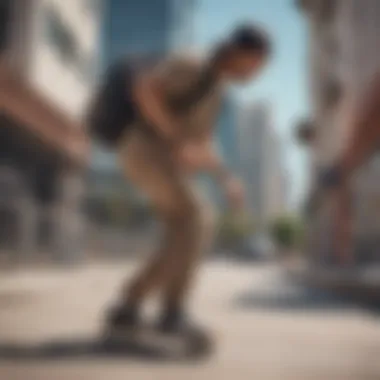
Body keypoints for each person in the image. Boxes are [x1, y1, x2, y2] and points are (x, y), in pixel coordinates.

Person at [104, 24, 272, 333]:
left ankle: (129, 305)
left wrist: (227, 180)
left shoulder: (216, 87)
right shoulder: (193, 63)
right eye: (258, 65)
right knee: (198, 219)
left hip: (159, 159)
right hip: (144, 151)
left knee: (184, 236)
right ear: (244, 54)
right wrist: (174, 136)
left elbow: (203, 145)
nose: (257, 74)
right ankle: (171, 313)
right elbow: (144, 89)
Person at [320, 72, 380, 265]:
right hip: (342, 167)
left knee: (345, 212)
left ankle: (344, 254)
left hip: (348, 166)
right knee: (342, 212)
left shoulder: (344, 112)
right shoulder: (333, 117)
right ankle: (343, 255)